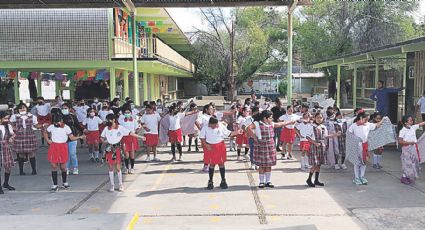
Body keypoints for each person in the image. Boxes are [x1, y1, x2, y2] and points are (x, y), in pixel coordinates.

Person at [247, 110, 296, 188]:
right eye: (270, 117)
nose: (272, 119)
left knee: (269, 165)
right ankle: (261, 182)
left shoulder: (271, 124)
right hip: (261, 146)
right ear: (265, 118)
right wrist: (254, 137)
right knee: (262, 165)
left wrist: (289, 122)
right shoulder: (257, 123)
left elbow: (280, 124)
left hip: (270, 146)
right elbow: (248, 128)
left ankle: (268, 181)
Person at [100, 114, 145, 192]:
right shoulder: (106, 128)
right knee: (110, 168)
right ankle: (112, 185)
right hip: (109, 149)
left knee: (118, 167)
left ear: (113, 120)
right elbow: (101, 137)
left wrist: (141, 137)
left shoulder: (120, 128)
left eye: (108, 120)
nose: (107, 121)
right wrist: (104, 141)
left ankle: (120, 184)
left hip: (117, 149)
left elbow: (131, 133)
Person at [43, 114, 84, 192]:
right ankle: (55, 184)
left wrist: (79, 137)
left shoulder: (66, 127)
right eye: (55, 122)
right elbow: (45, 132)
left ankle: (64, 182)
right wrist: (47, 140)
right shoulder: (51, 127)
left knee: (63, 167)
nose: (56, 124)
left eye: (57, 122)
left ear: (61, 121)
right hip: (54, 146)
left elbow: (71, 137)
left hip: (63, 146)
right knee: (54, 166)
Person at [200, 117, 240, 190]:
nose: (215, 126)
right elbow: (202, 138)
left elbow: (229, 133)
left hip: (220, 146)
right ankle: (210, 181)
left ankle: (223, 181)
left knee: (221, 163)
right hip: (210, 147)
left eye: (216, 125)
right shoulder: (205, 127)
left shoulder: (221, 126)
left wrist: (237, 132)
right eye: (213, 125)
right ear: (209, 124)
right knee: (211, 164)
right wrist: (206, 145)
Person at [348, 110, 384, 185]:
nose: (367, 121)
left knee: (364, 162)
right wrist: (355, 139)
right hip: (356, 146)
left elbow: (376, 125)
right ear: (361, 117)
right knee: (357, 162)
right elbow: (348, 134)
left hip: (365, 146)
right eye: (366, 119)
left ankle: (362, 176)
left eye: (368, 119)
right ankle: (356, 177)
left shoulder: (368, 124)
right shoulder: (354, 125)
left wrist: (383, 120)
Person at [305, 112, 339, 187]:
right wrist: (315, 143)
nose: (319, 119)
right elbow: (307, 137)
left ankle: (316, 180)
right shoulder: (311, 126)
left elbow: (326, 136)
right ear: (314, 118)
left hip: (322, 146)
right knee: (314, 164)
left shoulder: (323, 127)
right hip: (314, 146)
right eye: (318, 117)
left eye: (320, 118)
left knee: (319, 164)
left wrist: (335, 135)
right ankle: (309, 179)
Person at [10, 103, 41, 175]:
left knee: (31, 153)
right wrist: (14, 128)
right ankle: (21, 171)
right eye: (20, 108)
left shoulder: (32, 116)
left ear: (26, 108)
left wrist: (42, 126)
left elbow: (36, 125)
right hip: (19, 136)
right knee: (21, 154)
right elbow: (10, 123)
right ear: (18, 109)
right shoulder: (15, 116)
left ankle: (34, 170)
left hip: (30, 135)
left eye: (24, 107)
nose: (22, 109)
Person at [398, 115, 425, 185]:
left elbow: (421, 124)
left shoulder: (413, 127)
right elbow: (400, 141)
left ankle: (408, 177)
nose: (412, 121)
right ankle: (404, 177)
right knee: (407, 163)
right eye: (410, 120)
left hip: (413, 148)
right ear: (405, 122)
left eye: (411, 120)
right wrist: (410, 142)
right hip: (406, 149)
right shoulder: (402, 131)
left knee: (413, 163)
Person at [61, 103, 84, 175]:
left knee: (72, 154)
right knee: (66, 154)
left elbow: (78, 126)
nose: (64, 110)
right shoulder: (59, 117)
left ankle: (75, 167)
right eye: (63, 108)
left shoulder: (72, 117)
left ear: (69, 109)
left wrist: (83, 131)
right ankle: (66, 168)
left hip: (73, 138)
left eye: (65, 108)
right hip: (63, 139)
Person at [119, 106, 140, 173]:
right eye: (125, 112)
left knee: (132, 154)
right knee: (126, 154)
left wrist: (136, 132)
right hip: (124, 138)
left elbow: (137, 128)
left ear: (131, 113)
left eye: (128, 112)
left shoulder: (134, 120)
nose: (127, 113)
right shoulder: (121, 121)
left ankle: (132, 168)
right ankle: (127, 168)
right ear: (123, 113)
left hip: (132, 138)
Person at [0, 112, 16, 193]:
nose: (7, 120)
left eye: (8, 118)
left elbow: (13, 134)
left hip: (5, 147)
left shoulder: (8, 126)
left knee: (8, 167)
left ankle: (6, 183)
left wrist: (11, 138)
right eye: (5, 118)